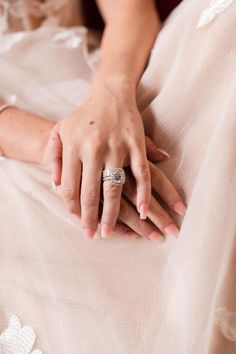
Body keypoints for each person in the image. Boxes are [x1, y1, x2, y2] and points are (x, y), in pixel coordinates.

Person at [0, 0, 236, 353]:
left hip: (110, 83)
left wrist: (110, 97)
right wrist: (70, 152)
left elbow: (130, 12)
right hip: (17, 146)